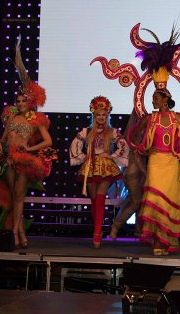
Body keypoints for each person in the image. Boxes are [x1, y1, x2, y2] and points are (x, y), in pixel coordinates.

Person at [0, 37, 54, 249]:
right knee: (14, 195)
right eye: (17, 101)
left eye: (23, 101)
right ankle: (17, 231)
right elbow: (4, 135)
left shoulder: (36, 120)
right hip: (8, 157)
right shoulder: (12, 116)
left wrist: (30, 148)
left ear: (30, 102)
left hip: (24, 158)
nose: (19, 104)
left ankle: (17, 233)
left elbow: (48, 141)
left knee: (19, 195)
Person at [128, 87, 180, 255]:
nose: (153, 101)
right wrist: (143, 149)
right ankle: (158, 240)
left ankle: (168, 240)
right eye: (152, 98)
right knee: (155, 200)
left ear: (165, 99)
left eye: (156, 98)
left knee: (168, 202)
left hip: (172, 164)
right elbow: (134, 135)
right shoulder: (150, 118)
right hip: (156, 162)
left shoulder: (177, 118)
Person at [69, 96, 129, 248]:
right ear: (94, 115)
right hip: (90, 166)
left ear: (108, 116)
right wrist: (84, 157)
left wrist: (111, 155)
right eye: (98, 114)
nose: (101, 117)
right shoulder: (87, 131)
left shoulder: (112, 132)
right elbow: (75, 144)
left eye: (104, 114)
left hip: (105, 167)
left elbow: (123, 146)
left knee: (101, 197)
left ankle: (96, 233)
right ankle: (98, 229)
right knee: (94, 199)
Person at [109, 110, 146, 239]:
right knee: (136, 201)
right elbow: (136, 156)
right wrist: (145, 172)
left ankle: (139, 229)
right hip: (133, 172)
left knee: (140, 200)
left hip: (137, 172)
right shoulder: (137, 132)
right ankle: (116, 226)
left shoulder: (139, 130)